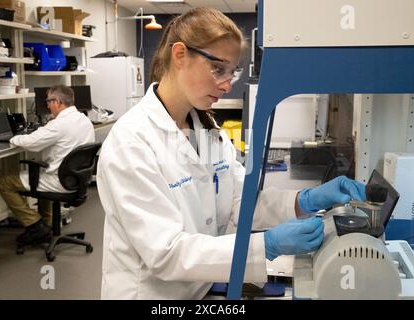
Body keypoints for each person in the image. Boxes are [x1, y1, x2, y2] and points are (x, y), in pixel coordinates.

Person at [96, 7, 366, 300]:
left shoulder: (209, 132)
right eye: (218, 69)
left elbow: (239, 199)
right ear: (180, 55)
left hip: (202, 287)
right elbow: (167, 253)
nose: (226, 85)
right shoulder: (132, 142)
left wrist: (304, 201)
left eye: (232, 72)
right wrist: (268, 245)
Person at [0, 85, 95, 246]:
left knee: (4, 182)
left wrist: (12, 138)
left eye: (48, 101)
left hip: (59, 181)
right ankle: (46, 226)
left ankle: (35, 225)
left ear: (58, 102)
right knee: (43, 171)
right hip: (76, 180)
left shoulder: (59, 124)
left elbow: (31, 142)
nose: (47, 105)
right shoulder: (84, 120)